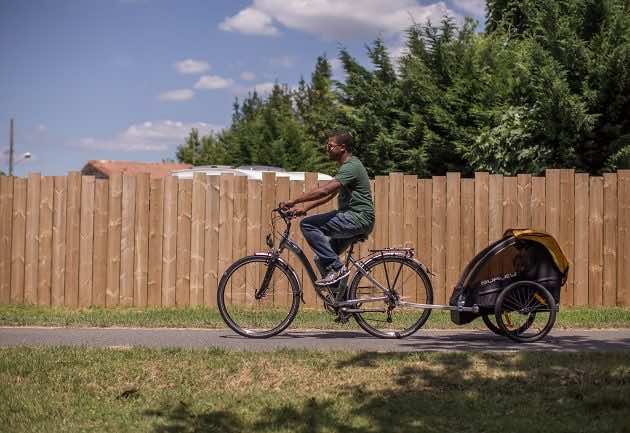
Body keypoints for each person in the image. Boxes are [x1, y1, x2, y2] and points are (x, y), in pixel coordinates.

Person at [280, 131, 374, 286]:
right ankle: (343, 305)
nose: (327, 149)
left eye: (330, 146)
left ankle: (337, 269)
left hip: (357, 218)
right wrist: (304, 208)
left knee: (307, 224)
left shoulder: (351, 167)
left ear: (342, 147)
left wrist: (294, 200)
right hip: (356, 219)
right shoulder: (348, 167)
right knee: (322, 258)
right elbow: (330, 195)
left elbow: (325, 190)